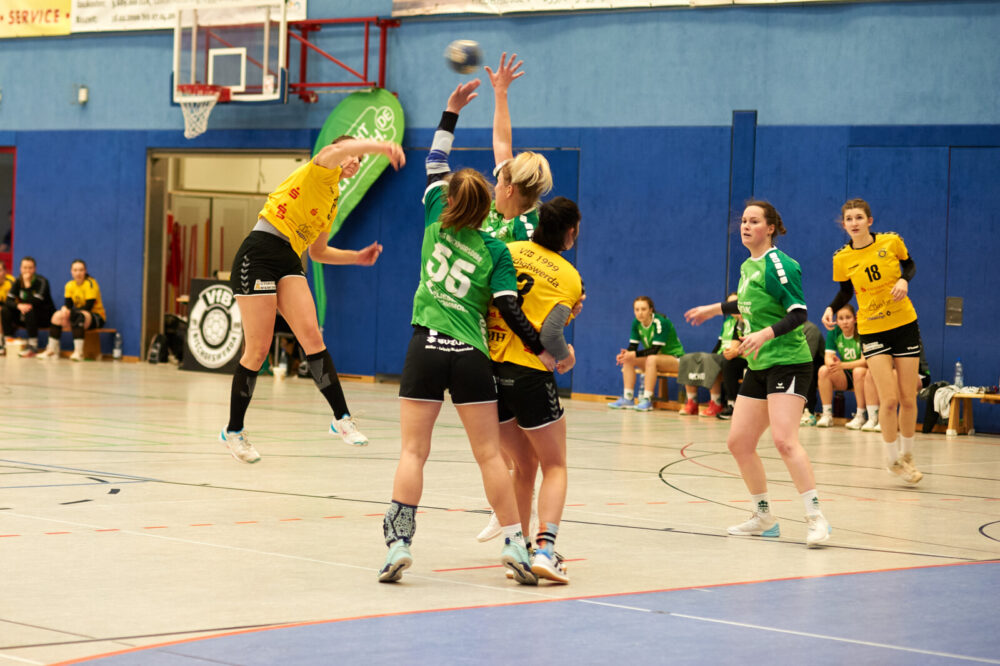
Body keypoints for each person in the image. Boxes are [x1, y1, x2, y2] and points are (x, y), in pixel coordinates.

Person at [379, 129, 556, 584]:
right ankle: (516, 542)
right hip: (471, 355)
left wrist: (452, 112)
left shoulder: (436, 219)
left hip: (426, 347)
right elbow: (510, 307)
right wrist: (543, 349)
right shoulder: (496, 248)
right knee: (490, 456)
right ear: (486, 204)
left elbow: (435, 161)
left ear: (453, 201)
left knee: (413, 450)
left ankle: (399, 543)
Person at [219, 136, 405, 464]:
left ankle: (341, 419)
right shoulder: (320, 169)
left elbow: (318, 251)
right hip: (259, 251)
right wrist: (381, 146)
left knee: (312, 338)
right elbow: (336, 151)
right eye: (354, 155)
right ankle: (234, 431)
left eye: (359, 160)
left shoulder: (332, 197)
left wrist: (355, 257)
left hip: (289, 257)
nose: (354, 162)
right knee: (258, 350)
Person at [685, 200, 831, 548]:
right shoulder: (748, 266)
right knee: (739, 442)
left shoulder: (781, 264)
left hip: (789, 361)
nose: (746, 226)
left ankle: (816, 518)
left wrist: (764, 334)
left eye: (754, 221)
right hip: (760, 364)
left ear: (770, 228)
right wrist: (713, 309)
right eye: (744, 221)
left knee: (784, 440)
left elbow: (798, 313)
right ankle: (764, 517)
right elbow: (749, 302)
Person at [487, 196, 583, 583]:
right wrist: (566, 357)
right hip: (529, 374)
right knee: (554, 465)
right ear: (571, 232)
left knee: (521, 465)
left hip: (489, 372)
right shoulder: (569, 276)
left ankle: (518, 546)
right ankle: (545, 548)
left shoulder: (506, 251)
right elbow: (551, 333)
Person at [822, 199, 923, 485]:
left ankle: (908, 456)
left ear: (870, 220)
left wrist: (904, 281)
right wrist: (831, 307)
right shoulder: (841, 258)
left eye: (859, 217)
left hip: (904, 324)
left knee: (907, 397)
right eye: (848, 219)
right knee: (889, 400)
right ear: (844, 224)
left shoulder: (891, 242)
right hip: (873, 329)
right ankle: (891, 459)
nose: (854, 223)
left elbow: (910, 264)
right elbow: (845, 292)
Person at [482, 52, 553, 242]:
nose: (494, 187)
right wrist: (500, 92)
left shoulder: (528, 233)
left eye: (498, 183)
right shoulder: (503, 205)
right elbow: (501, 142)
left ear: (509, 190)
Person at [608, 296, 685, 412]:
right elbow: (633, 347)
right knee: (628, 359)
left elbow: (654, 349)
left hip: (676, 360)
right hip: (654, 359)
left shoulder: (661, 322)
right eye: (637, 309)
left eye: (643, 309)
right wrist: (625, 354)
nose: (640, 313)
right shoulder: (636, 323)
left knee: (651, 358)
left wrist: (633, 354)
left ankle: (647, 399)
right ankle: (628, 398)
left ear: (651, 310)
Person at [814, 304, 872, 429]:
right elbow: (827, 357)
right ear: (837, 320)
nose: (844, 321)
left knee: (858, 371)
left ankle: (860, 416)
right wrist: (831, 363)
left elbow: (865, 361)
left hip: (863, 375)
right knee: (824, 370)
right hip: (845, 375)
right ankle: (827, 415)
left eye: (848, 317)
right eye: (841, 318)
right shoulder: (834, 333)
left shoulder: (862, 331)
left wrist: (842, 365)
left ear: (855, 319)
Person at [39, 259, 106, 361]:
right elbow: (68, 305)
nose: (78, 273)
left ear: (85, 271)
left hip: (96, 317)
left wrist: (70, 311)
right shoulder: (69, 285)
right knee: (57, 315)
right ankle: (52, 350)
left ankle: (79, 352)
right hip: (77, 315)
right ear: (71, 271)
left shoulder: (91, 283)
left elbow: (88, 307)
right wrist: (65, 309)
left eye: (81, 270)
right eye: (75, 270)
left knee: (79, 316)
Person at [1, 257, 54, 358]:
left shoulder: (42, 281)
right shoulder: (17, 281)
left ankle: (33, 346)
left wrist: (27, 285)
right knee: (5, 310)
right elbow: (8, 301)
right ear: (21, 268)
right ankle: (8, 343)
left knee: (30, 309)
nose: (27, 271)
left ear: (34, 269)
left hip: (44, 317)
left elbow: (35, 302)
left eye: (30, 268)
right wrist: (18, 305)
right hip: (25, 316)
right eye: (25, 268)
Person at [715, 292, 748, 420]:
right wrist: (731, 352)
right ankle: (731, 404)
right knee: (728, 363)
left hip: (760, 356)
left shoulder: (754, 320)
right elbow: (735, 343)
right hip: (745, 357)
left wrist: (737, 352)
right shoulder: (739, 322)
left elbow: (758, 345)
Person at [0, 259, 15, 355]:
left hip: (12, 311)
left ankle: (1, 342)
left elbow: (13, 301)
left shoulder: (11, 281)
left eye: (1, 270)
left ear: (5, 271)